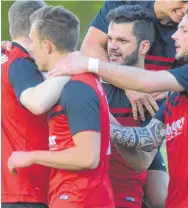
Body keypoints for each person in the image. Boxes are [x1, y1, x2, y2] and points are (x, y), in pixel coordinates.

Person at [48, 5, 188, 208]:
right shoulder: (176, 95)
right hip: (183, 201)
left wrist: (89, 64)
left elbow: (146, 81)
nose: (174, 36)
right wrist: (100, 121)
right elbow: (147, 139)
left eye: (184, 30)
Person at [80, 1, 188, 206]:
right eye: (184, 1)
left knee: (162, 197)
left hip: (146, 114)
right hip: (118, 99)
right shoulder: (124, 4)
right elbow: (89, 47)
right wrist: (131, 85)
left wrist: (169, 89)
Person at [7, 6, 115, 208]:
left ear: (47, 46)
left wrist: (30, 156)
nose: (29, 50)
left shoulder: (76, 89)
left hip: (79, 198)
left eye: (33, 42)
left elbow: (88, 157)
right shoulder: (77, 82)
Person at [1, 1, 72, 208]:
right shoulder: (21, 62)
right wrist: (72, 66)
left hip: (17, 188)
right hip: (27, 188)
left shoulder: (6, 58)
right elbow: (37, 103)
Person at [101, 5, 167, 208]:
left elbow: (143, 161)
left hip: (127, 197)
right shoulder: (89, 85)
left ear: (144, 47)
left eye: (122, 41)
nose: (112, 46)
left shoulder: (157, 93)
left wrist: (103, 117)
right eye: (110, 39)